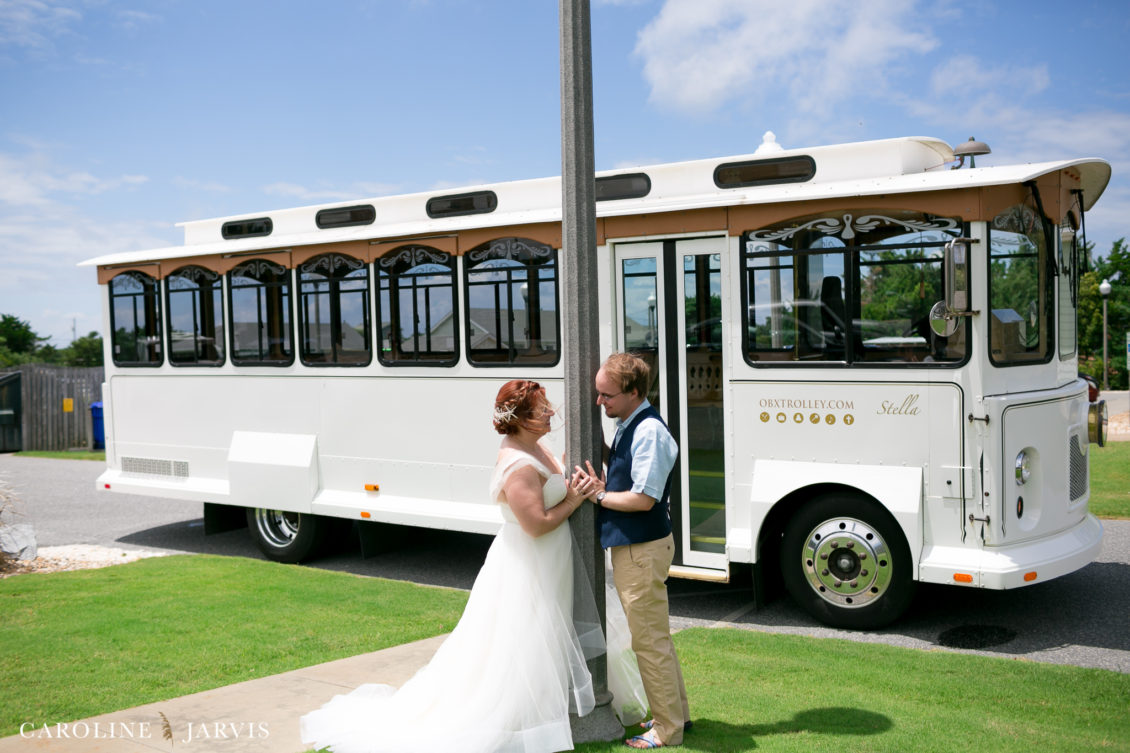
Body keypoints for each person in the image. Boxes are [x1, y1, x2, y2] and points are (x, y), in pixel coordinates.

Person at [301, 380, 596, 753]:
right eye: (541, 409)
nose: (551, 411)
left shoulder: (536, 445)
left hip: (549, 560)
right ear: (520, 420)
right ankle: (522, 719)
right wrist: (572, 500)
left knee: (544, 634)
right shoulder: (518, 465)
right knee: (523, 638)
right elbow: (535, 524)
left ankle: (547, 707)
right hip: (529, 563)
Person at [572, 352, 690, 749]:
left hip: (641, 549)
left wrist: (599, 494)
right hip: (638, 547)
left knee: (649, 642)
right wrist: (604, 455)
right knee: (657, 639)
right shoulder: (630, 424)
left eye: (606, 395)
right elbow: (627, 467)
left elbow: (643, 499)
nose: (599, 402)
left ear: (634, 392)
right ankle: (677, 717)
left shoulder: (649, 432)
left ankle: (667, 730)